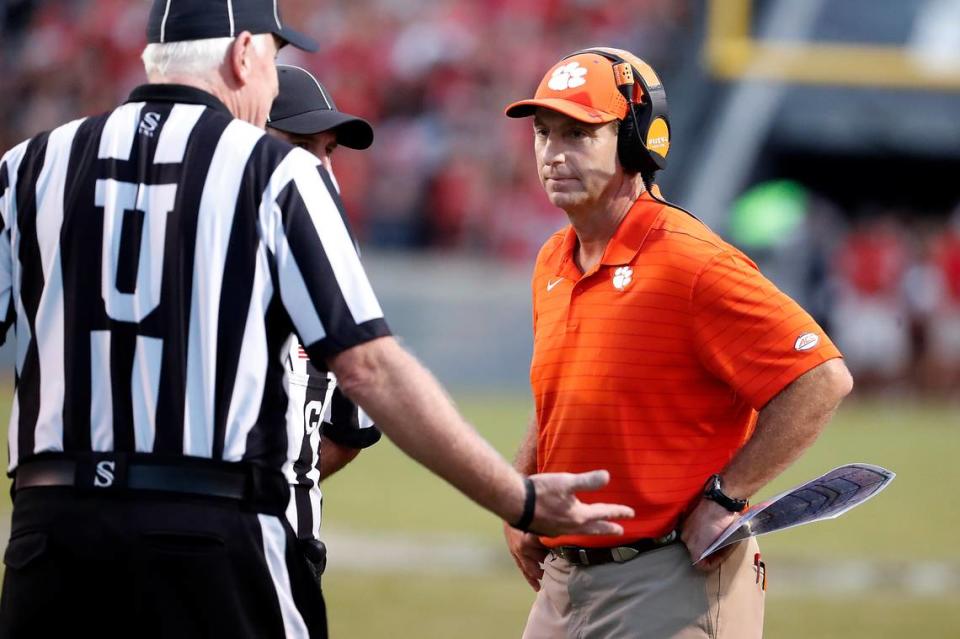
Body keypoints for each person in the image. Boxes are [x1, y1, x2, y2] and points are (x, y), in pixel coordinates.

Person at [0, 3, 635, 636]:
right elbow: (370, 369)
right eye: (275, 61)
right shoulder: (275, 171)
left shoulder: (26, 167)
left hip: (49, 527)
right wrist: (515, 497)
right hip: (211, 528)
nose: (273, 81)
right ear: (243, 54)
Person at [502, 47, 854, 639]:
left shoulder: (691, 262)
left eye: (579, 132)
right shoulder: (552, 259)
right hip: (566, 584)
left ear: (637, 141)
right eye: (544, 133)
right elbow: (562, 398)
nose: (553, 153)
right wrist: (523, 494)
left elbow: (821, 377)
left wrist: (726, 495)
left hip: (671, 580)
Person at [267, 64, 380, 573]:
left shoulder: (337, 252)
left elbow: (351, 429)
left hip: (289, 550)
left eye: (327, 150)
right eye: (299, 143)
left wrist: (287, 478)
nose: (319, 166)